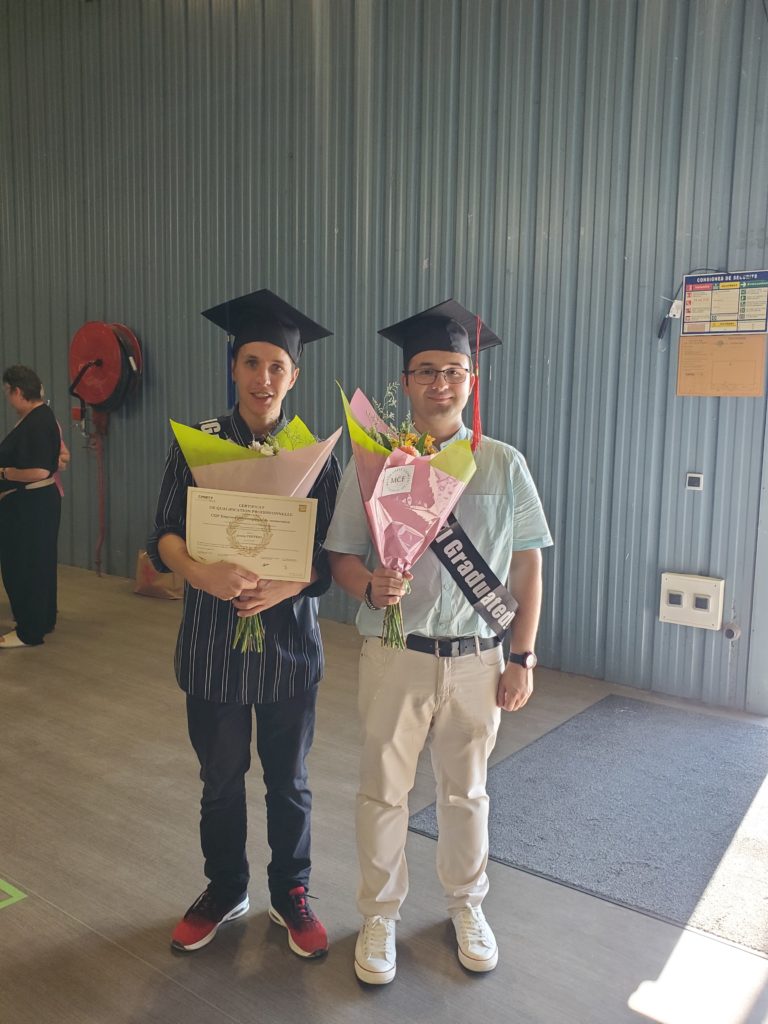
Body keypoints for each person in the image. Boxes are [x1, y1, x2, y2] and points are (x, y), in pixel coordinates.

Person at [325, 300, 553, 984]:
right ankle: (379, 916)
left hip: (476, 662)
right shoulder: (374, 464)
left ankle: (466, 906)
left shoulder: (504, 465)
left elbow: (529, 563)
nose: (440, 383)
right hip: (396, 656)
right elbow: (341, 554)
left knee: (466, 794)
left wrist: (522, 656)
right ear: (405, 381)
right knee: (383, 791)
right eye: (426, 371)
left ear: (472, 379)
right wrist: (369, 586)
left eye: (454, 370)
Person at [148, 289, 341, 959]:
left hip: (288, 649)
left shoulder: (318, 457)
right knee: (221, 780)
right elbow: (163, 536)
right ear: (234, 366)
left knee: (289, 781)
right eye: (252, 362)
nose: (264, 379)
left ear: (295, 375)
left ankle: (292, 891)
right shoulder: (196, 446)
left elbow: (332, 560)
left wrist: (292, 581)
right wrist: (198, 572)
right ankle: (226, 886)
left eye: (278, 366)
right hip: (213, 647)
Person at [0, 365, 62, 648]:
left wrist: (5, 473)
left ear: (17, 391)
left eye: (7, 393)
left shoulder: (36, 421)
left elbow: (38, 471)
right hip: (37, 505)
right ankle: (42, 618)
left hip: (30, 506)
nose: (7, 399)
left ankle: (28, 630)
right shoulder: (41, 416)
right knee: (39, 564)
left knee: (21, 565)